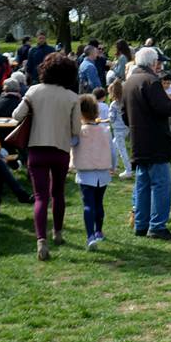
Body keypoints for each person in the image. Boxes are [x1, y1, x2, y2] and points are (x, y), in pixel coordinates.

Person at [13, 52, 82, 260]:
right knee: (57, 193)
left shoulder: (33, 91)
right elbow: (77, 129)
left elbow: (16, 115)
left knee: (41, 197)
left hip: (36, 149)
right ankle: (58, 233)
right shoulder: (71, 97)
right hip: (60, 150)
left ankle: (41, 240)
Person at [122, 47, 171, 239]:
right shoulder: (151, 81)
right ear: (153, 63)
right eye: (159, 63)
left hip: (138, 141)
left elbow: (123, 114)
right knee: (161, 184)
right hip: (156, 142)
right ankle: (157, 226)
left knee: (143, 184)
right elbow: (164, 108)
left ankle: (141, 224)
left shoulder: (129, 81)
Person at [70, 94, 114, 251]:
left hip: (85, 172)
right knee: (99, 203)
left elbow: (70, 144)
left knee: (88, 204)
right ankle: (99, 231)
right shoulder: (105, 130)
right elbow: (112, 150)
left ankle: (90, 236)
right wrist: (113, 167)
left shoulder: (79, 132)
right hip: (103, 172)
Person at [107, 79, 132, 179]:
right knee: (114, 146)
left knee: (122, 150)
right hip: (126, 127)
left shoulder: (114, 104)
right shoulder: (126, 101)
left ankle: (128, 169)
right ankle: (114, 165)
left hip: (118, 129)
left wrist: (106, 117)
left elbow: (111, 118)